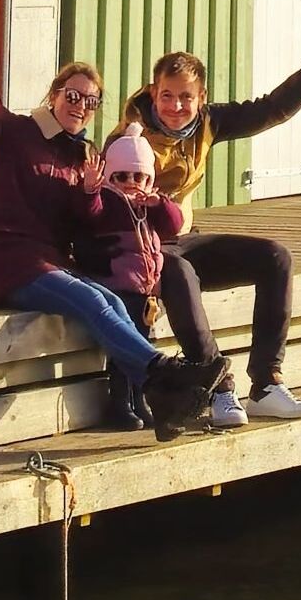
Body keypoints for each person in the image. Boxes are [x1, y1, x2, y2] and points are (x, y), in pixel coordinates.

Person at [0, 0, 216, 442]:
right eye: (72, 95)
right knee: (90, 300)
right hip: (3, 261)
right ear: (54, 96)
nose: (80, 105)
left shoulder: (86, 160)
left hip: (45, 264)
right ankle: (163, 375)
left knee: (106, 298)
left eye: (90, 101)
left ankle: (160, 396)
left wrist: (92, 194)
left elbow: (86, 226)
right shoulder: (16, 132)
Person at [114, 19, 301, 427]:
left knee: (275, 257)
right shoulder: (129, 137)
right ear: (153, 92)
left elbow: (271, 109)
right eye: (166, 96)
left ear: (201, 97)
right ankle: (218, 385)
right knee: (179, 269)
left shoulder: (207, 123)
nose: (175, 106)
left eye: (185, 97)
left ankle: (265, 384)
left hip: (184, 237)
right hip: (143, 252)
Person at [83, 122, 186, 430]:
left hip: (146, 290)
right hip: (117, 287)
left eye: (139, 176)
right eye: (122, 176)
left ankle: (139, 399)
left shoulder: (149, 206)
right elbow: (89, 215)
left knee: (143, 339)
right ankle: (119, 401)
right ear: (110, 177)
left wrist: (159, 202)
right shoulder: (108, 202)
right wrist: (91, 189)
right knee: (124, 348)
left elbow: (174, 224)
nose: (131, 183)